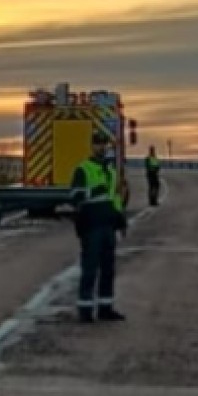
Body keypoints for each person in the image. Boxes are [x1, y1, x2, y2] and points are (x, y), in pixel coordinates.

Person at [70, 131, 127, 323]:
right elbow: (74, 197)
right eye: (97, 144)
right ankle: (85, 310)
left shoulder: (110, 171)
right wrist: (93, 191)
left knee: (108, 269)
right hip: (91, 226)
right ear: (91, 146)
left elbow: (115, 198)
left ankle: (105, 308)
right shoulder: (83, 169)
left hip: (108, 226)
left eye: (103, 144)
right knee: (90, 269)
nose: (101, 147)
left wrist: (120, 219)